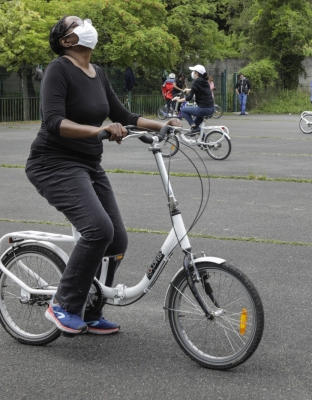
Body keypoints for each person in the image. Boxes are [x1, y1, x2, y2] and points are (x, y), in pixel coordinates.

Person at [26, 15, 181, 335]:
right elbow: (54, 122)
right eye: (76, 23)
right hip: (52, 163)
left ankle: (91, 310)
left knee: (116, 238)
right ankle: (63, 304)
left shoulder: (97, 74)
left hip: (88, 165)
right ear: (67, 40)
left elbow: (123, 116)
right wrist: (99, 131)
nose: (86, 24)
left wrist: (164, 125)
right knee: (97, 228)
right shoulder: (59, 70)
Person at [175, 65, 214, 133]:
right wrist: (190, 89)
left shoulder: (196, 82)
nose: (192, 73)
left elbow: (189, 97)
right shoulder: (205, 82)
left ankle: (193, 126)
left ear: (197, 73)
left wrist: (179, 100)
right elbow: (200, 89)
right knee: (194, 128)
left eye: (193, 71)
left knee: (183, 110)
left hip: (203, 109)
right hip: (211, 108)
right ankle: (203, 140)